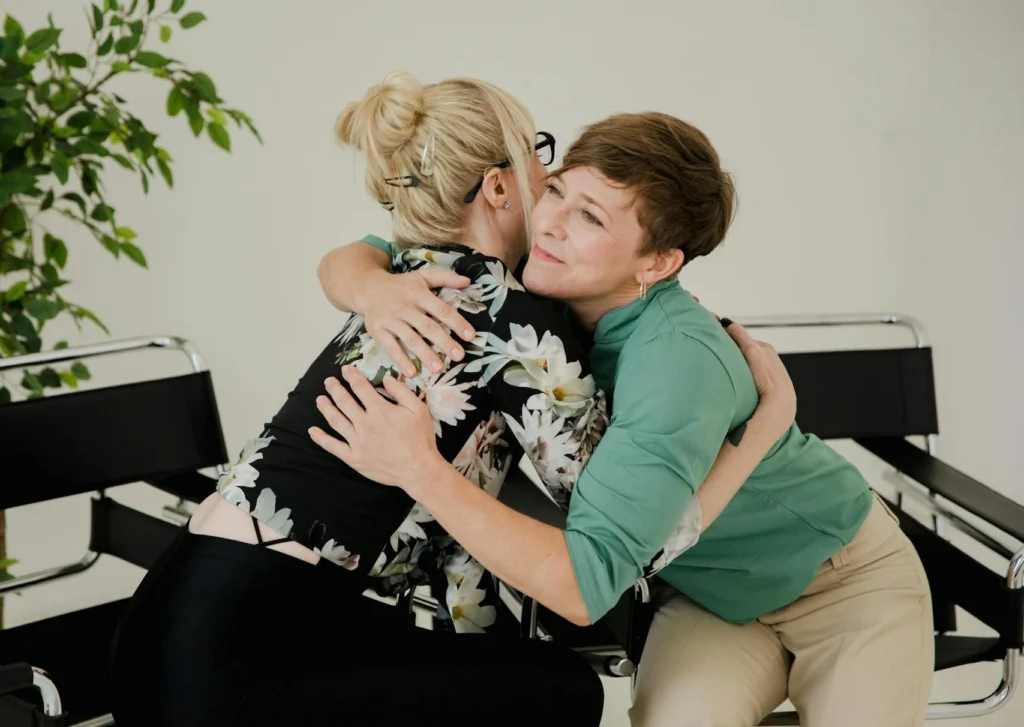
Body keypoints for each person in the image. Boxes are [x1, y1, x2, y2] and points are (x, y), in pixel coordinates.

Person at [108, 72, 795, 727]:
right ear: (498, 187)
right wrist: (762, 432)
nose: (549, 194)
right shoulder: (512, 316)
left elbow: (452, 536)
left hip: (167, 634)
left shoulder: (407, 278)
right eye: (541, 165)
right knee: (565, 694)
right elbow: (625, 551)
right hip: (238, 668)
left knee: (512, 678)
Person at [314, 110, 935, 726]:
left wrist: (420, 469)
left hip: (842, 583)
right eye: (556, 189)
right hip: (708, 595)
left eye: (591, 216)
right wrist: (375, 291)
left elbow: (586, 586)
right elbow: (365, 252)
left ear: (657, 263)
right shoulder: (547, 261)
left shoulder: (675, 362)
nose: (552, 221)